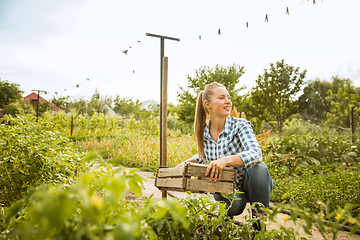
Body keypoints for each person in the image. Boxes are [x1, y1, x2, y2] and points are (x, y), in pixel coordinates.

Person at [176, 82, 273, 231]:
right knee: (235, 207)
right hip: (228, 188)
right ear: (207, 104)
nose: (228, 101)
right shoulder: (204, 133)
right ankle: (225, 222)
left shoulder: (240, 125)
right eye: (222, 97)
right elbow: (203, 156)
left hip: (251, 182)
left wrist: (225, 161)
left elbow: (256, 153)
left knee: (258, 167)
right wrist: (185, 163)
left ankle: (259, 229)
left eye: (228, 97)